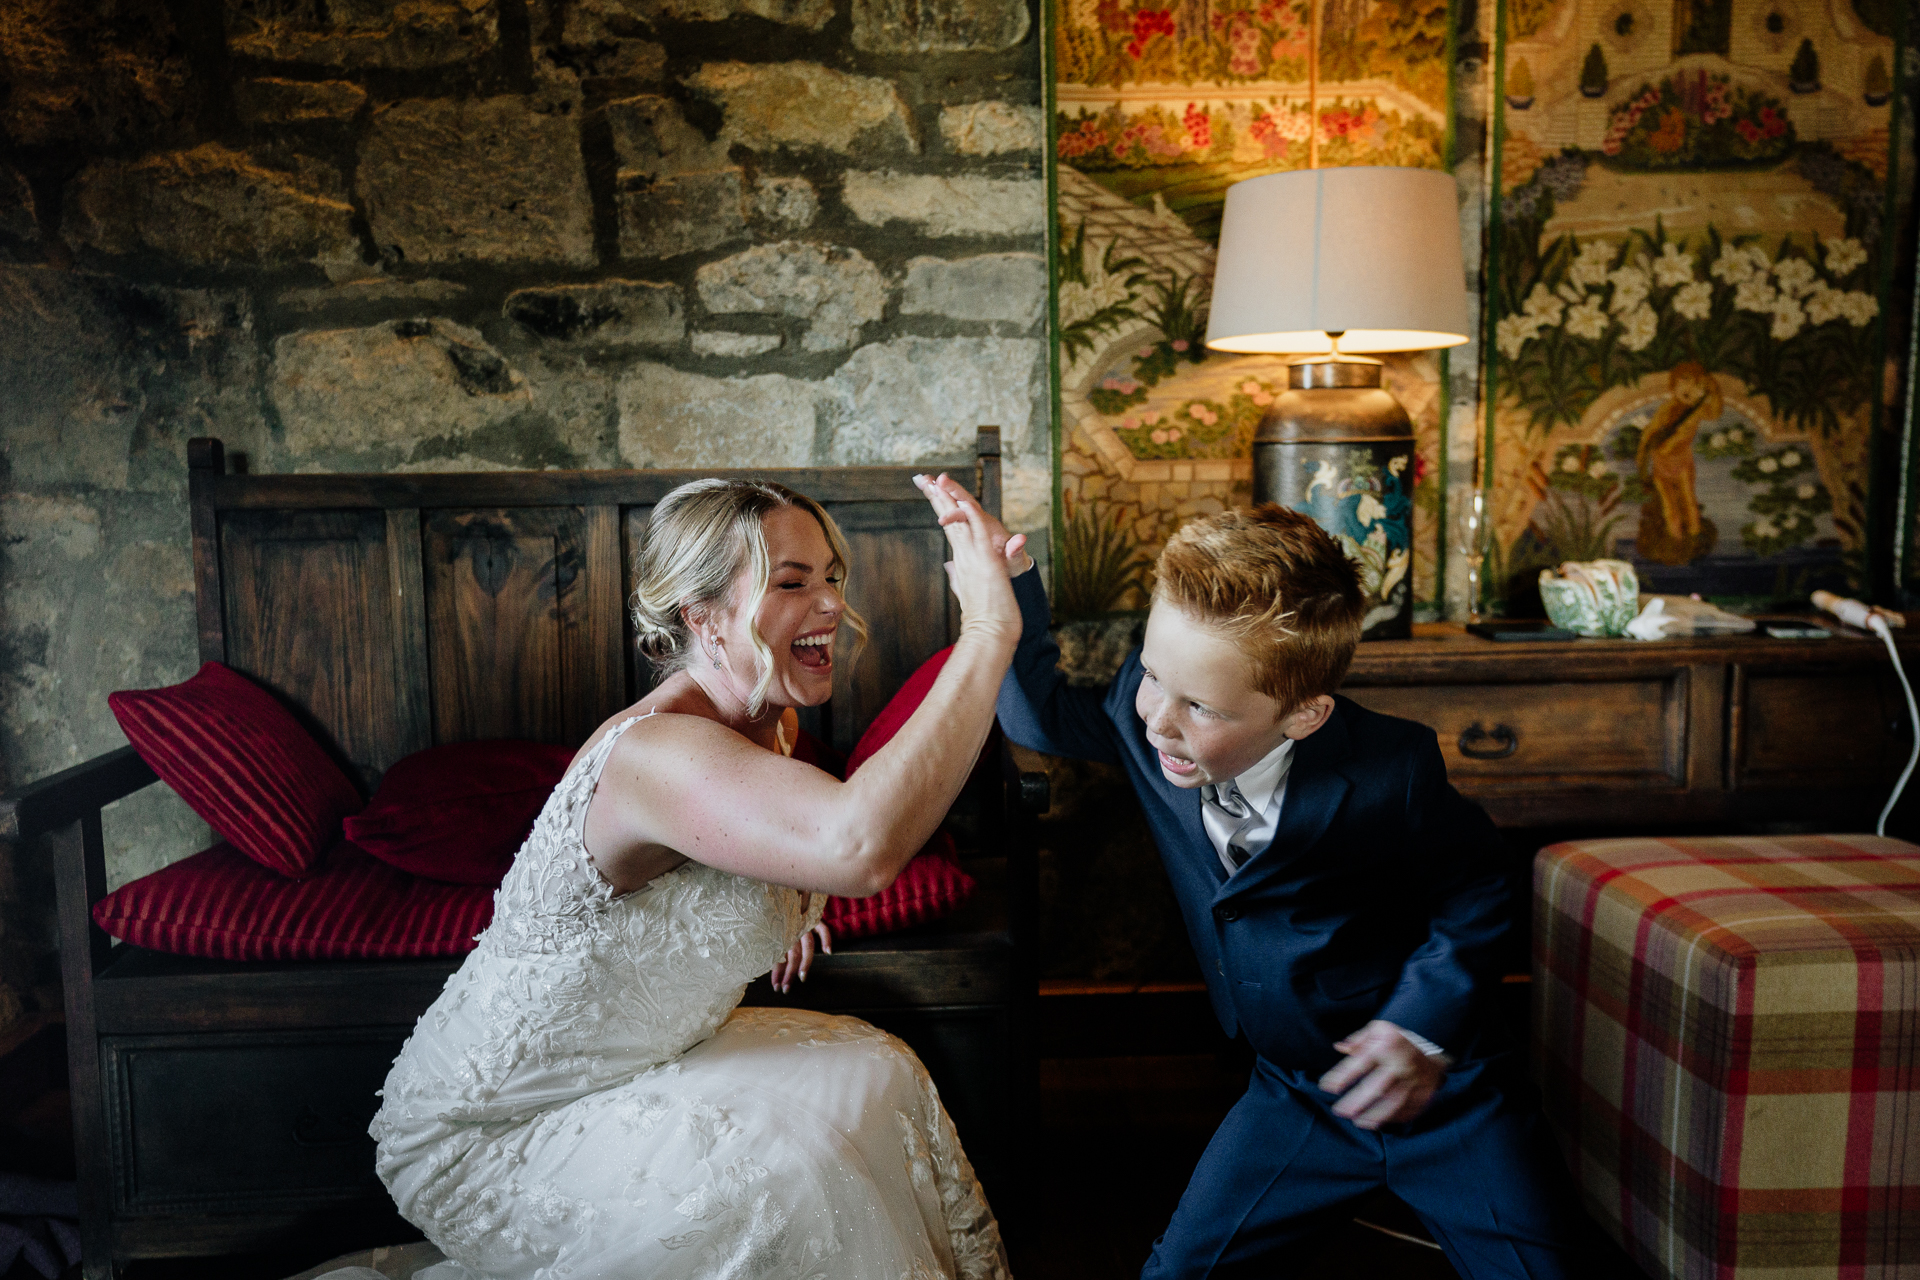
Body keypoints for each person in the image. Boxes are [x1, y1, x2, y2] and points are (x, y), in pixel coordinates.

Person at [925, 478, 1594, 1280]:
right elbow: (1038, 713)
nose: (1157, 718)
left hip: (1449, 1097)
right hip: (1295, 1094)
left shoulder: (1392, 769)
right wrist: (1009, 575)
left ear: (1304, 714)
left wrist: (1419, 1027)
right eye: (1150, 673)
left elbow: (1479, 889)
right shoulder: (1155, 721)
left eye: (1201, 706)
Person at [372, 475, 1021, 1280]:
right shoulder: (657, 753)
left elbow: (768, 851)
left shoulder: (767, 720)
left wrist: (784, 902)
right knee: (790, 1179)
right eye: (791, 582)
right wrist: (990, 627)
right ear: (701, 614)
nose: (827, 605)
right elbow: (860, 848)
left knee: (874, 1074)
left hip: (636, 1062)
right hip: (494, 1125)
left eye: (831, 578)